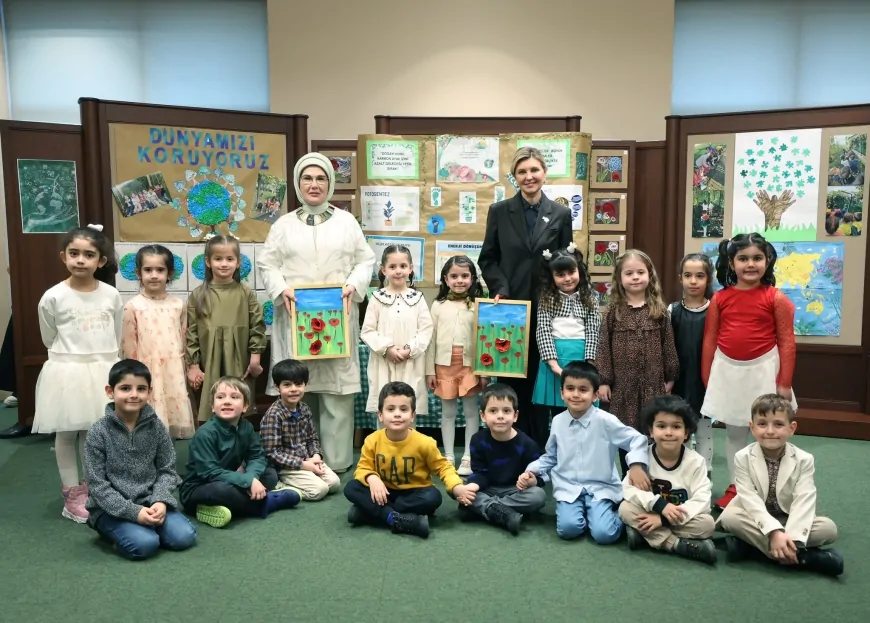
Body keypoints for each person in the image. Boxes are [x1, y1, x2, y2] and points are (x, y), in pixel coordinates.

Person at [257, 152, 376, 473]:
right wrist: (281, 289)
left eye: (320, 178)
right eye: (307, 178)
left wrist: (354, 284)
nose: (314, 184)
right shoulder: (282, 225)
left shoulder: (346, 221)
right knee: (298, 388)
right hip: (295, 317)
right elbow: (267, 263)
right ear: (298, 183)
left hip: (337, 317)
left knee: (336, 391)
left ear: (330, 183)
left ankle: (336, 461)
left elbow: (366, 260)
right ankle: (301, 459)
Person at [478, 146, 573, 447]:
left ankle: (543, 450)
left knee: (543, 382)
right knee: (511, 384)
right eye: (522, 172)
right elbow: (488, 259)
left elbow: (566, 263)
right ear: (514, 177)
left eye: (534, 170)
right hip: (510, 311)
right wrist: (501, 289)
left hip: (549, 311)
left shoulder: (560, 214)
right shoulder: (499, 211)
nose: (529, 176)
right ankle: (510, 448)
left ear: (544, 173)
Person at [32, 225, 122, 523]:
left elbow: (116, 334)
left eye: (89, 255)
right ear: (63, 256)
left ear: (101, 261)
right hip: (67, 370)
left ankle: (92, 486)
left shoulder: (111, 295)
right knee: (67, 431)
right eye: (74, 253)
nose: (80, 260)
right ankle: (71, 493)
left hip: (101, 369)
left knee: (93, 432)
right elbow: (49, 337)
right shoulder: (53, 296)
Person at [702, 233, 797, 509]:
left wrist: (785, 383)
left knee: (768, 433)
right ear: (731, 263)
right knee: (734, 435)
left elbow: (787, 342)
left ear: (767, 261)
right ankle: (736, 486)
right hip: (728, 373)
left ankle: (767, 488)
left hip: (765, 372)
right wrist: (709, 378)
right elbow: (710, 339)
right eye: (743, 258)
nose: (750, 264)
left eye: (757, 258)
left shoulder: (776, 298)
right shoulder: (720, 299)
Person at [520, 361, 650, 543]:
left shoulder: (606, 420)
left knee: (604, 535)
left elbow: (637, 439)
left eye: (583, 390)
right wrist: (532, 471)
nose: (576, 395)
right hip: (568, 487)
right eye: (570, 389)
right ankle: (591, 515)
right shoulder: (558, 421)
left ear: (595, 395)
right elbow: (550, 457)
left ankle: (620, 520)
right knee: (568, 529)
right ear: (562, 393)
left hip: (600, 487)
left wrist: (636, 465)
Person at [717, 394, 843, 576]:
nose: (770, 431)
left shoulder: (804, 460)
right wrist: (774, 533)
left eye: (778, 424)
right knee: (730, 517)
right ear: (752, 427)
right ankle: (804, 558)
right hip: (753, 517)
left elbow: (804, 499)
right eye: (762, 424)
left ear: (792, 428)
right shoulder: (742, 457)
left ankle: (752, 549)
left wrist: (794, 538)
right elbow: (749, 499)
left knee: (828, 528)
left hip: (788, 517)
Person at [84, 359, 197, 560]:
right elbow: (97, 486)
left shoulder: (157, 427)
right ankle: (109, 530)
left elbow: (167, 470)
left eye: (141, 389)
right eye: (125, 388)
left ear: (149, 392)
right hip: (110, 509)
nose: (134, 394)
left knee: (184, 537)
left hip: (150, 501)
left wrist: (160, 501)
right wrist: (134, 513)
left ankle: (145, 528)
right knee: (144, 545)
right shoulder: (98, 432)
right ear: (110, 391)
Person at [343, 381, 476, 539]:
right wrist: (372, 478)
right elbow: (362, 468)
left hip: (413, 495)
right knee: (351, 488)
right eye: (390, 409)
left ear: (412, 415)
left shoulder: (425, 442)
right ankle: (398, 518)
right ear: (380, 415)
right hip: (383, 493)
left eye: (404, 409)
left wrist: (456, 487)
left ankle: (370, 513)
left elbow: (443, 468)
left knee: (433, 497)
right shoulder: (372, 440)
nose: (397, 414)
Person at [595, 249, 679, 474]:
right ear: (619, 279)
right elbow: (603, 347)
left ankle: (651, 481)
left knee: (650, 434)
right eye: (629, 273)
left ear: (649, 275)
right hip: (622, 389)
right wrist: (604, 381)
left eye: (640, 272)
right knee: (624, 435)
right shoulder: (613, 312)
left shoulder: (659, 311)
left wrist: (670, 378)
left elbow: (668, 346)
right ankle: (627, 480)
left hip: (652, 386)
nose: (635, 277)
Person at [179, 376, 300, 528]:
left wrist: (251, 477)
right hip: (200, 487)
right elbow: (210, 472)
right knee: (223, 491)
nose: (227, 401)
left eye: (234, 397)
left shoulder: (246, 427)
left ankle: (225, 507)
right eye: (220, 397)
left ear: (245, 406)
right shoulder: (205, 434)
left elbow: (257, 456)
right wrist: (248, 481)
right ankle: (266, 502)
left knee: (270, 474)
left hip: (231, 476)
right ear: (212, 406)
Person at [618, 395, 716, 564]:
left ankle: (644, 535)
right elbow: (627, 489)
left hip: (678, 516)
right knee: (625, 509)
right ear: (651, 431)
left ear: (686, 433)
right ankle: (676, 544)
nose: (668, 432)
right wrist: (659, 506)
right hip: (651, 511)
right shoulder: (643, 458)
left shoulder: (696, 462)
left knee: (707, 524)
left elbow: (702, 500)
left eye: (676, 427)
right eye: (661, 426)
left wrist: (663, 520)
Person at [186, 235, 266, 423]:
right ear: (208, 261)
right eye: (218, 259)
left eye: (230, 259)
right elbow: (191, 333)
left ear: (238, 263)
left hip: (238, 359)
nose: (224, 264)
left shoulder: (245, 293)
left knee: (237, 402)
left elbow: (257, 326)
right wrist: (194, 365)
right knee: (212, 404)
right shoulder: (198, 295)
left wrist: (255, 358)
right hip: (209, 361)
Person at [121, 244, 195, 439]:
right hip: (147, 370)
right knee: (148, 422)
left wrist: (189, 367)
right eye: (148, 270)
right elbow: (129, 345)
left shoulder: (178, 305)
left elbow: (185, 338)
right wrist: (133, 376)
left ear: (169, 274)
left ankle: (168, 465)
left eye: (160, 270)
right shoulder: (133, 306)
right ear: (138, 273)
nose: (154, 275)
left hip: (173, 371)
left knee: (172, 419)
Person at [425, 255, 487, 475]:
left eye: (464, 276)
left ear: (473, 278)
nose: (459, 280)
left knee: (471, 412)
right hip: (444, 366)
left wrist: (483, 371)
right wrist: (429, 371)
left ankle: (469, 457)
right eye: (454, 276)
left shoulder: (479, 305)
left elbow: (484, 339)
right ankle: (449, 455)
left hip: (470, 366)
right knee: (448, 412)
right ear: (445, 279)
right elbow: (430, 340)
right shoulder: (438, 305)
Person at [461, 383, 546, 535]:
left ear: (515, 416)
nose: (500, 416)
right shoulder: (477, 440)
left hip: (514, 490)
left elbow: (539, 477)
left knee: (538, 496)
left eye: (506, 411)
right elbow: (480, 472)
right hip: (488, 488)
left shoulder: (527, 444)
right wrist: (472, 486)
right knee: (459, 487)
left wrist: (532, 480)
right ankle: (499, 511)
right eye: (493, 411)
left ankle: (486, 508)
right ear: (483, 415)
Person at [361, 245, 433, 423]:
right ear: (384, 270)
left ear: (410, 268)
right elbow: (368, 330)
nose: (398, 271)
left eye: (402, 266)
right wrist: (387, 349)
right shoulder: (377, 298)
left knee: (408, 407)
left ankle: (409, 449)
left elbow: (426, 329)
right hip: (384, 362)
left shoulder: (417, 298)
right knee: (385, 406)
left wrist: (410, 349)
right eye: (392, 267)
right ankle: (383, 448)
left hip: (411, 362)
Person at [260, 358, 341, 501]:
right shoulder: (273, 415)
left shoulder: (304, 409)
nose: (293, 389)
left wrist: (316, 456)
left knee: (334, 484)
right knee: (319, 491)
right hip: (286, 466)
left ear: (305, 384)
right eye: (287, 385)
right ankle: (280, 486)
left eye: (298, 384)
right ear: (277, 387)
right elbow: (272, 453)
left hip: (306, 459)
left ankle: (307, 477)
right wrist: (305, 465)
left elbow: (312, 438)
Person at [532, 243, 600, 410]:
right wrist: (554, 365)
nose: (567, 278)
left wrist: (589, 362)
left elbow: (593, 330)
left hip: (581, 356)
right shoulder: (547, 298)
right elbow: (543, 331)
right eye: (560, 275)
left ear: (580, 271)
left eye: (571, 272)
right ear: (552, 277)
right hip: (554, 357)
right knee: (557, 409)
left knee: (583, 406)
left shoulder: (590, 297)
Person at [669, 252, 714, 476]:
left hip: (706, 379)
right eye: (688, 275)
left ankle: (705, 473)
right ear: (680, 278)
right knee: (680, 425)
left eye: (699, 276)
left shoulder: (716, 310)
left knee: (704, 428)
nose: (693, 281)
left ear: (708, 279)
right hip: (679, 378)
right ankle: (682, 471)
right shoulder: (672, 311)